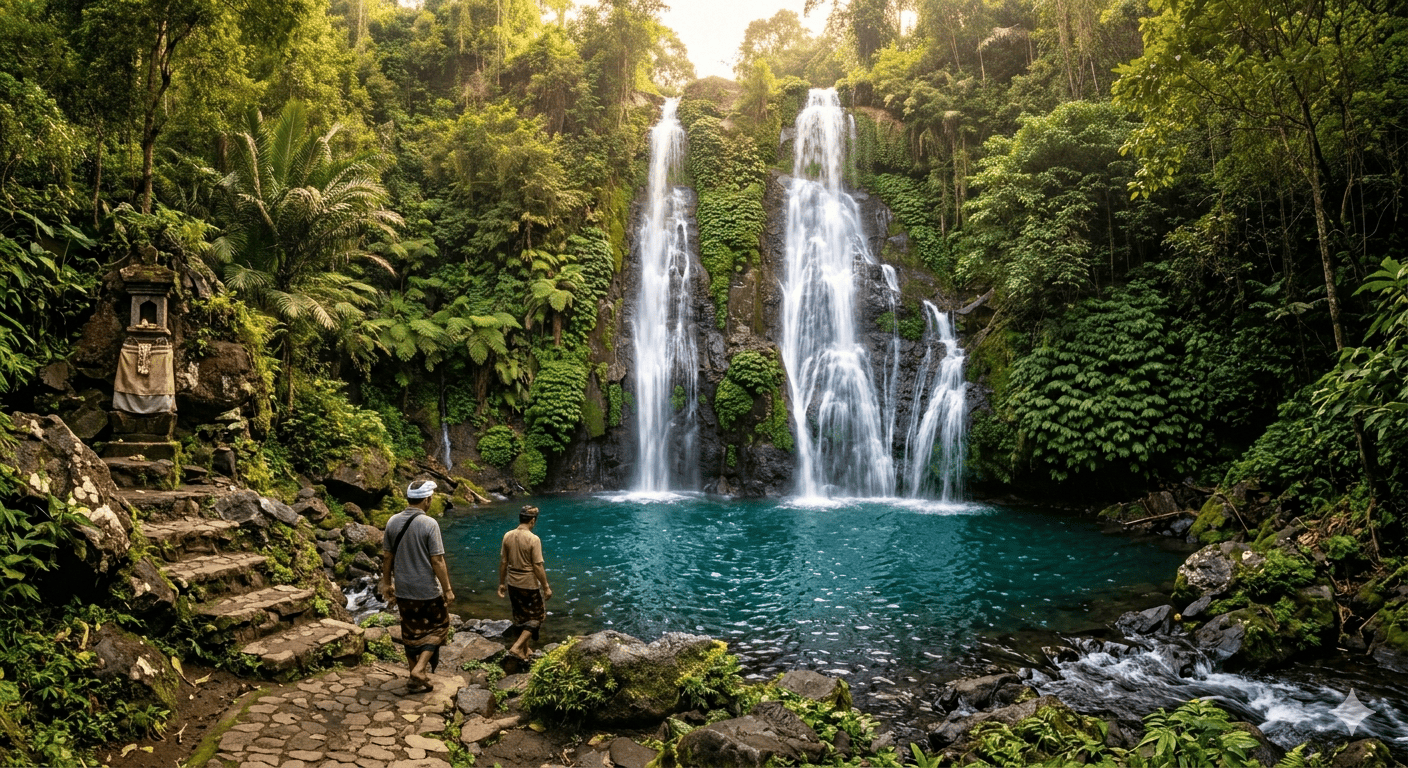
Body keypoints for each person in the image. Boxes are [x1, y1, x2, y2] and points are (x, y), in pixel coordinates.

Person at [380, 479, 455, 692]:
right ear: (427, 499)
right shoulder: (429, 524)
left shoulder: (392, 521)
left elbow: (387, 557)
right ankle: (420, 669)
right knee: (440, 627)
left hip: (403, 589)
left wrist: (387, 584)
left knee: (411, 631)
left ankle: (414, 679)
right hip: (427, 590)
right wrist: (448, 589)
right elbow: (437, 561)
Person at [498, 504, 551, 660]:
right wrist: (546, 587)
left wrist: (501, 583)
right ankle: (517, 647)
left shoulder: (507, 535)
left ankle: (525, 651)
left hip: (512, 583)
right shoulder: (534, 539)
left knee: (521, 617)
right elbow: (537, 565)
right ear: (532, 521)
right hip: (529, 584)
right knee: (537, 617)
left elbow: (503, 562)